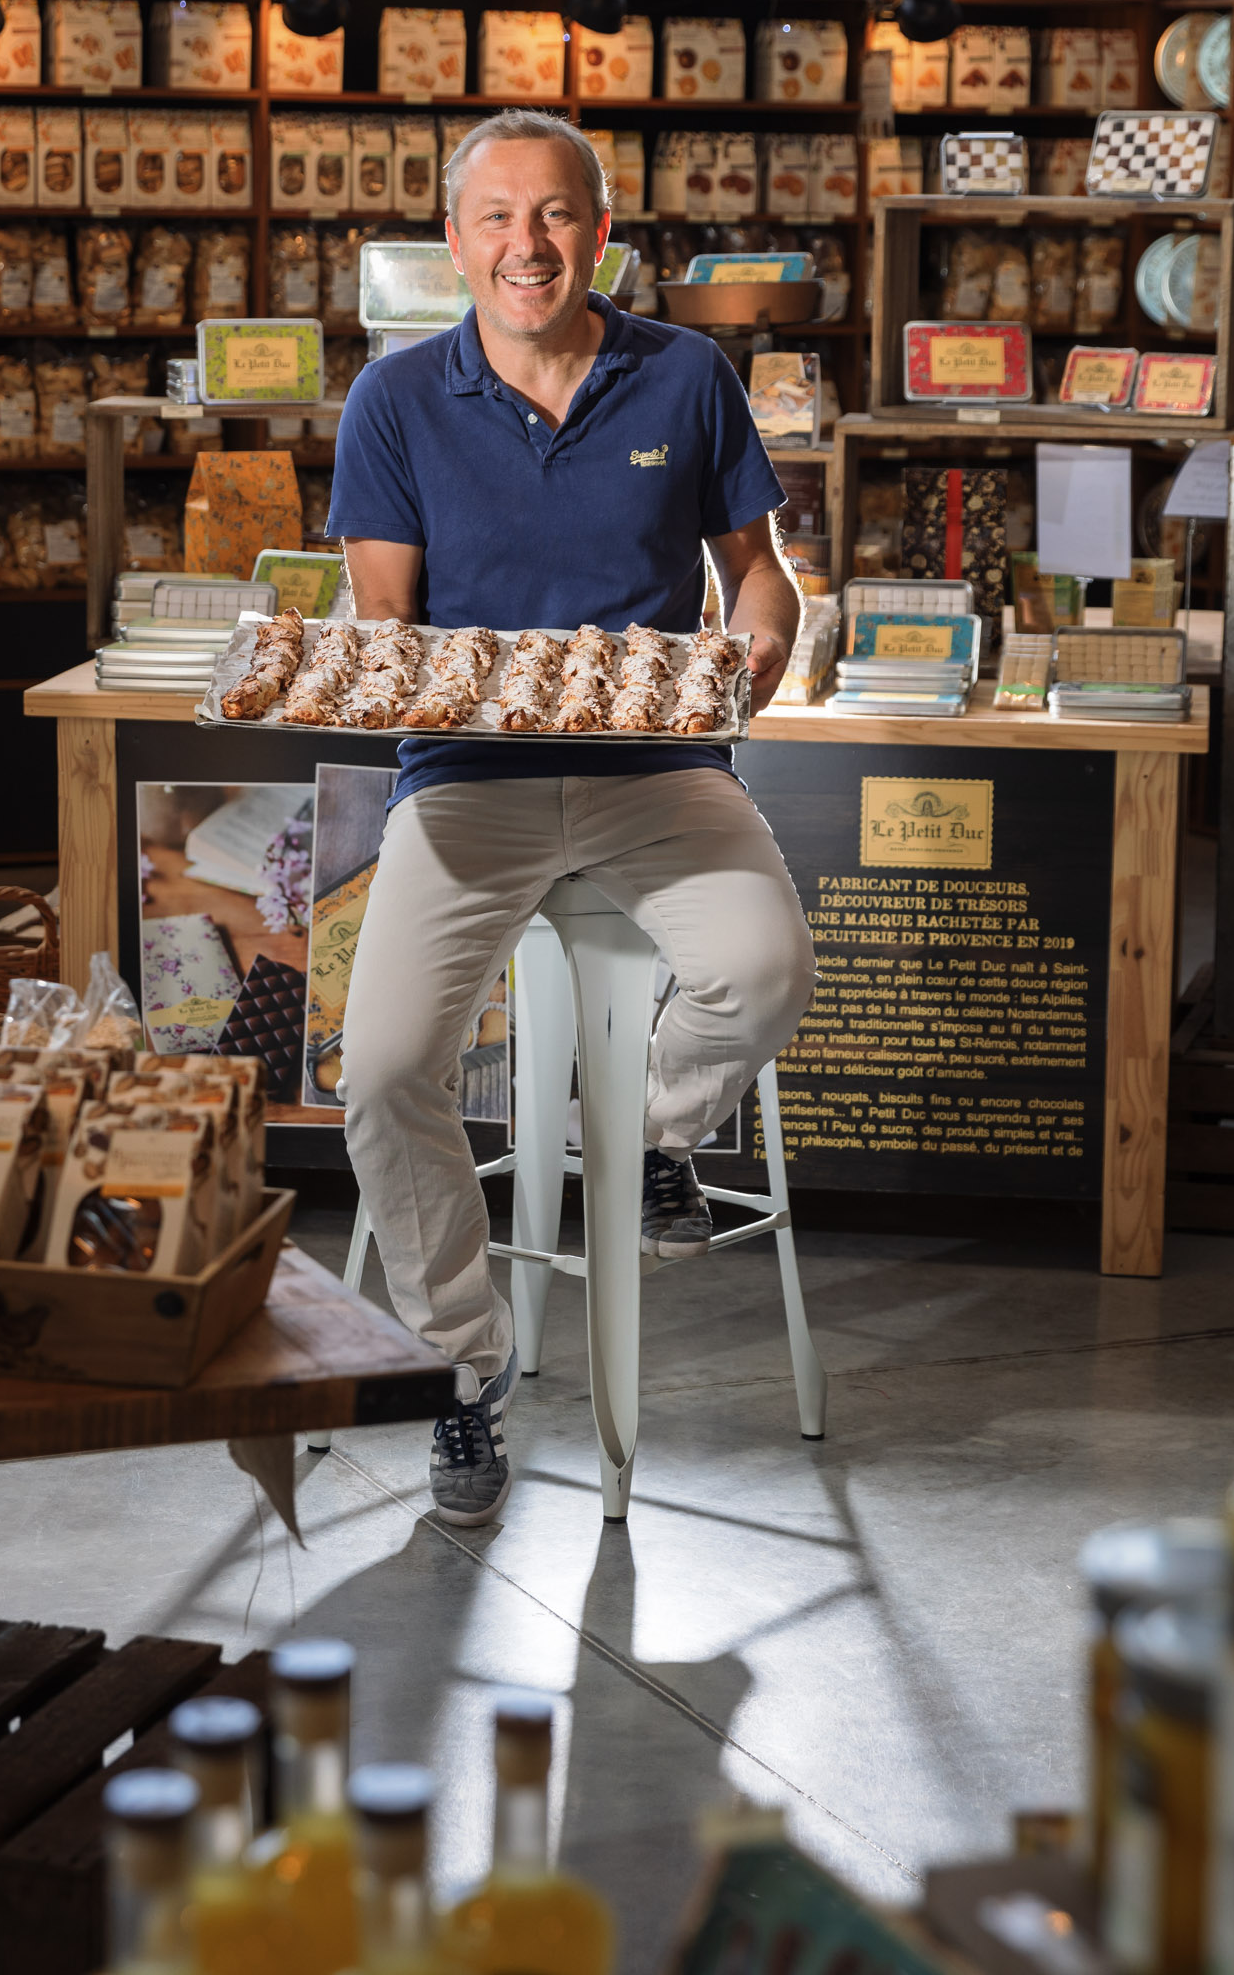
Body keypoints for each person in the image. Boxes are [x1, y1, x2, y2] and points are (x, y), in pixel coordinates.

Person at [327, 109, 819, 1527]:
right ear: (455, 240)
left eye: (557, 215)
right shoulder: (398, 401)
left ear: (604, 232)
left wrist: (763, 653)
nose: (528, 245)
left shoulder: (686, 377)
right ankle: (459, 1370)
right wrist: (452, 696)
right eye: (497, 217)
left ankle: (643, 1137)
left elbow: (759, 577)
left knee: (765, 968)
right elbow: (389, 625)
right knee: (384, 1070)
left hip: (657, 774)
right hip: (466, 781)